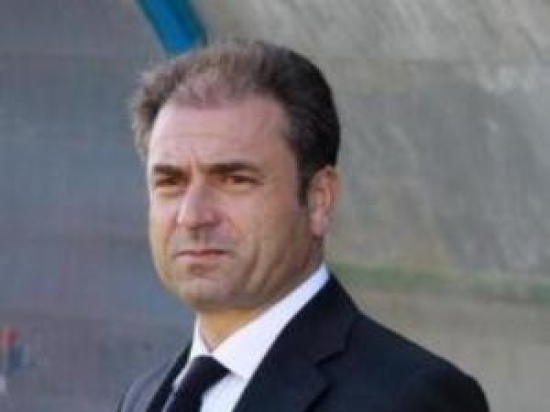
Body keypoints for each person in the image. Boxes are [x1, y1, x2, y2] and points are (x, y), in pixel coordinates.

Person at [118, 38, 489, 412]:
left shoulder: (411, 399)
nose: (193, 216)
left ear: (318, 199)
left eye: (235, 180)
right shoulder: (145, 396)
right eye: (170, 182)